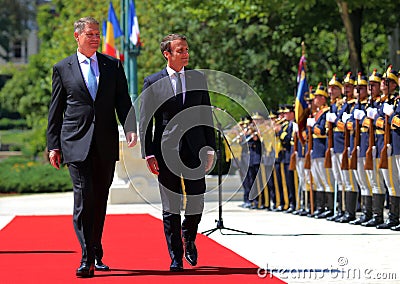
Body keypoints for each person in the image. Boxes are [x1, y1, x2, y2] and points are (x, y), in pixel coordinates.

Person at [46, 17, 137, 278]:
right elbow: (56, 111)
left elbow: (123, 101)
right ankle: (87, 257)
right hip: (75, 142)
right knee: (84, 198)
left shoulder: (112, 65)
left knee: (100, 198)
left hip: (105, 142)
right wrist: (53, 145)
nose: (96, 38)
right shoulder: (63, 68)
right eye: (90, 34)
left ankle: (95, 248)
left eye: (97, 34)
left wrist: (130, 127)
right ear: (77, 36)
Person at [139, 34, 215, 271]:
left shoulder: (197, 78)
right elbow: (145, 121)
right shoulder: (152, 82)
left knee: (197, 200)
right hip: (165, 152)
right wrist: (148, 153)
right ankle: (175, 256)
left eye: (186, 50)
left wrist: (210, 148)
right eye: (180, 50)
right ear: (167, 54)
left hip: (195, 149)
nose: (186, 54)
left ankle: (189, 236)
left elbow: (206, 114)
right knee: (170, 205)